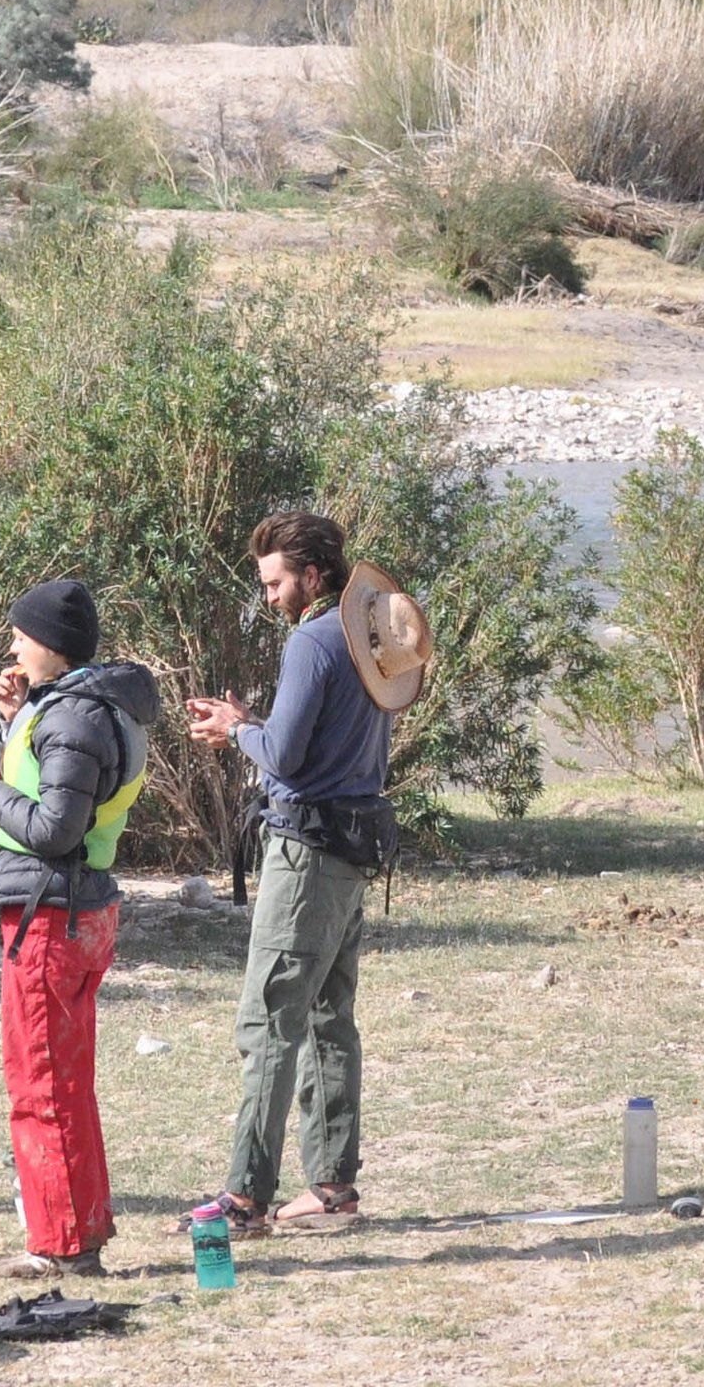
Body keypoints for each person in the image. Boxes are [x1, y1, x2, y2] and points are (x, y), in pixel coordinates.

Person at [186, 511, 394, 1236]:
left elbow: (285, 756)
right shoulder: (367, 636)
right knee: (330, 1017)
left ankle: (243, 1198)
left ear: (312, 575)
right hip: (351, 847)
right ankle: (332, 1190)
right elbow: (318, 743)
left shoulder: (312, 640)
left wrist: (234, 729)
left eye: (276, 582)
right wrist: (253, 723)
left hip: (304, 854)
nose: (270, 596)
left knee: (269, 1019)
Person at [0, 578, 158, 1285]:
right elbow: (56, 792)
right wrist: (13, 722)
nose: (11, 645)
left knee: (41, 1084)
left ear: (50, 646)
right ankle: (79, 1229)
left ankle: (60, 1244)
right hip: (78, 911)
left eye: (19, 634)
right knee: (65, 1081)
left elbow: (52, 829)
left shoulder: (75, 718)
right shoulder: (82, 708)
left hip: (51, 915)